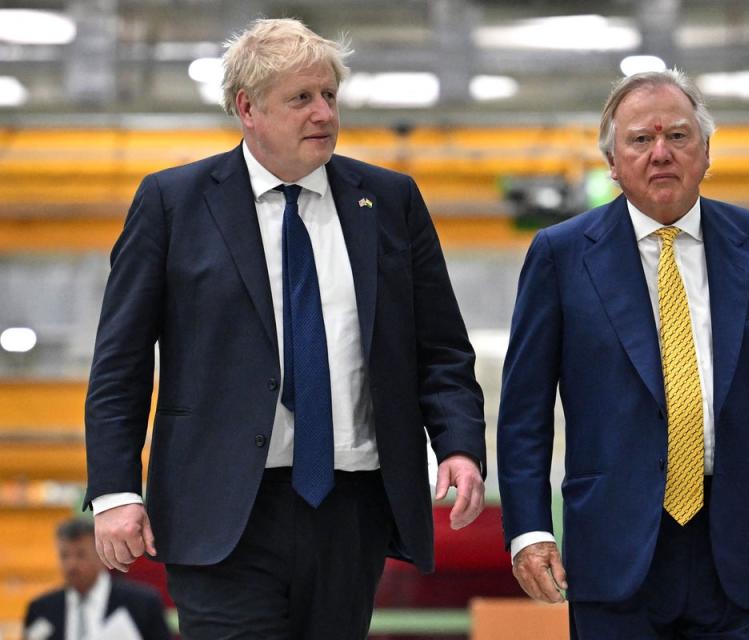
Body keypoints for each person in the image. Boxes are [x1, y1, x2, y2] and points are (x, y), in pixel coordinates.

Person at [83, 17, 486, 639]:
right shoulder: (173, 203)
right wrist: (114, 490)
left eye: (329, 95)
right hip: (219, 508)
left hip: (351, 505)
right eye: (301, 98)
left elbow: (441, 349)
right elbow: (121, 363)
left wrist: (459, 445)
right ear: (248, 108)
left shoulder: (390, 201)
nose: (324, 113)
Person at [497, 69, 749, 639]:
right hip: (613, 547)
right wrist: (529, 531)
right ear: (612, 161)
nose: (661, 153)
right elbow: (524, 415)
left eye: (678, 137)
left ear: (706, 152)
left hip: (737, 543)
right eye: (640, 139)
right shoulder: (559, 255)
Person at [23, 518, 170, 640]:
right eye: (65, 556)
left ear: (101, 555)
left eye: (81, 555)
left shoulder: (142, 604)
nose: (71, 564)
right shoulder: (40, 609)